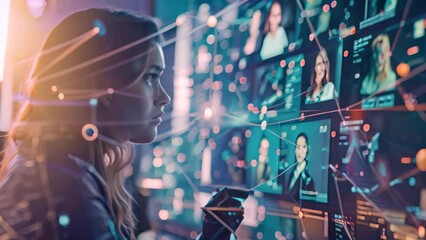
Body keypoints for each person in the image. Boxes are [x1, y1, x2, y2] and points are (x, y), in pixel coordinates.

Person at [0, 9, 243, 240]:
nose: (164, 97)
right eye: (150, 77)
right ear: (106, 86)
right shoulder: (70, 188)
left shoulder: (53, 168)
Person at [287, 133, 315, 200]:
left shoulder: (308, 179)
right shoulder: (292, 174)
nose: (300, 151)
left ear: (307, 150)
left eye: (303, 147)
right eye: (298, 147)